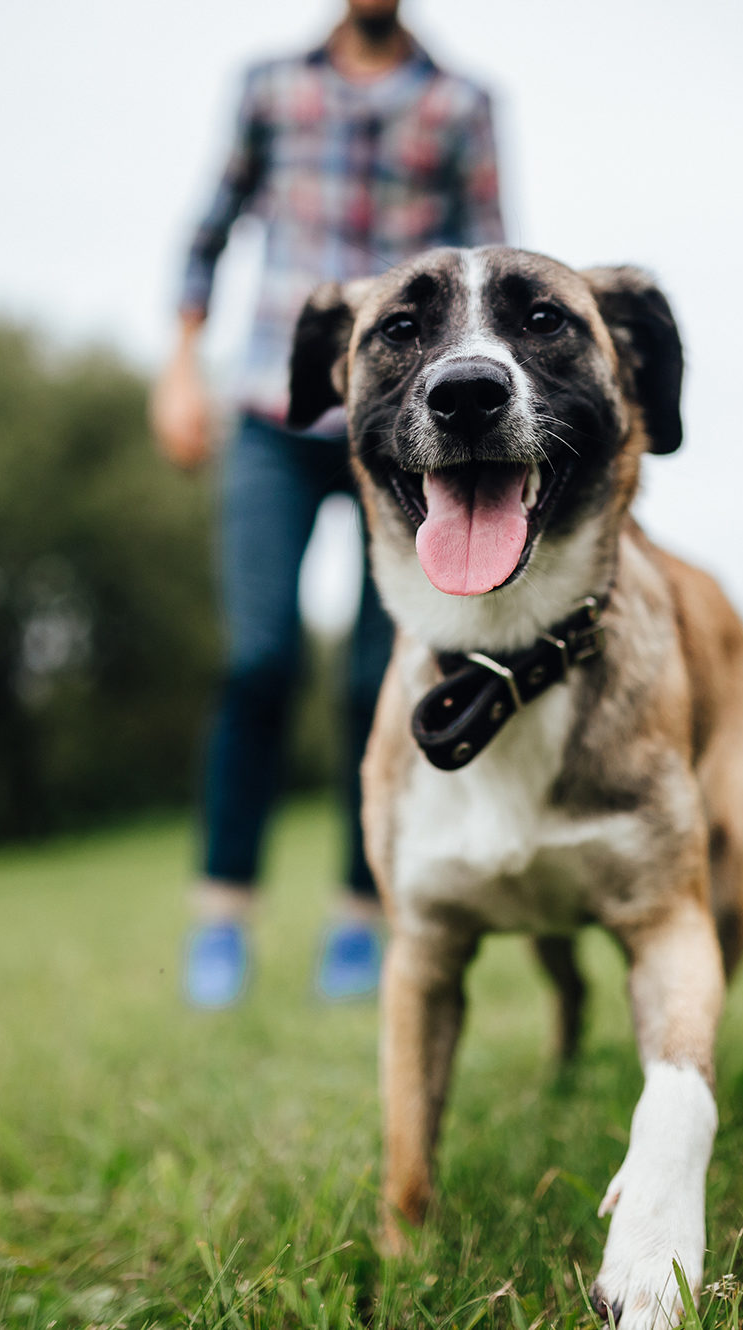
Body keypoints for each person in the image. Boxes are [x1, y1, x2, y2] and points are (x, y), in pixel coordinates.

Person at [151, 0, 505, 1008]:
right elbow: (208, 233)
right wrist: (180, 368)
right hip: (273, 405)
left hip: (404, 426)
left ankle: (359, 918)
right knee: (255, 658)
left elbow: (490, 257)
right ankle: (222, 916)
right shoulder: (271, 87)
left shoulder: (461, 104)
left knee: (374, 677)